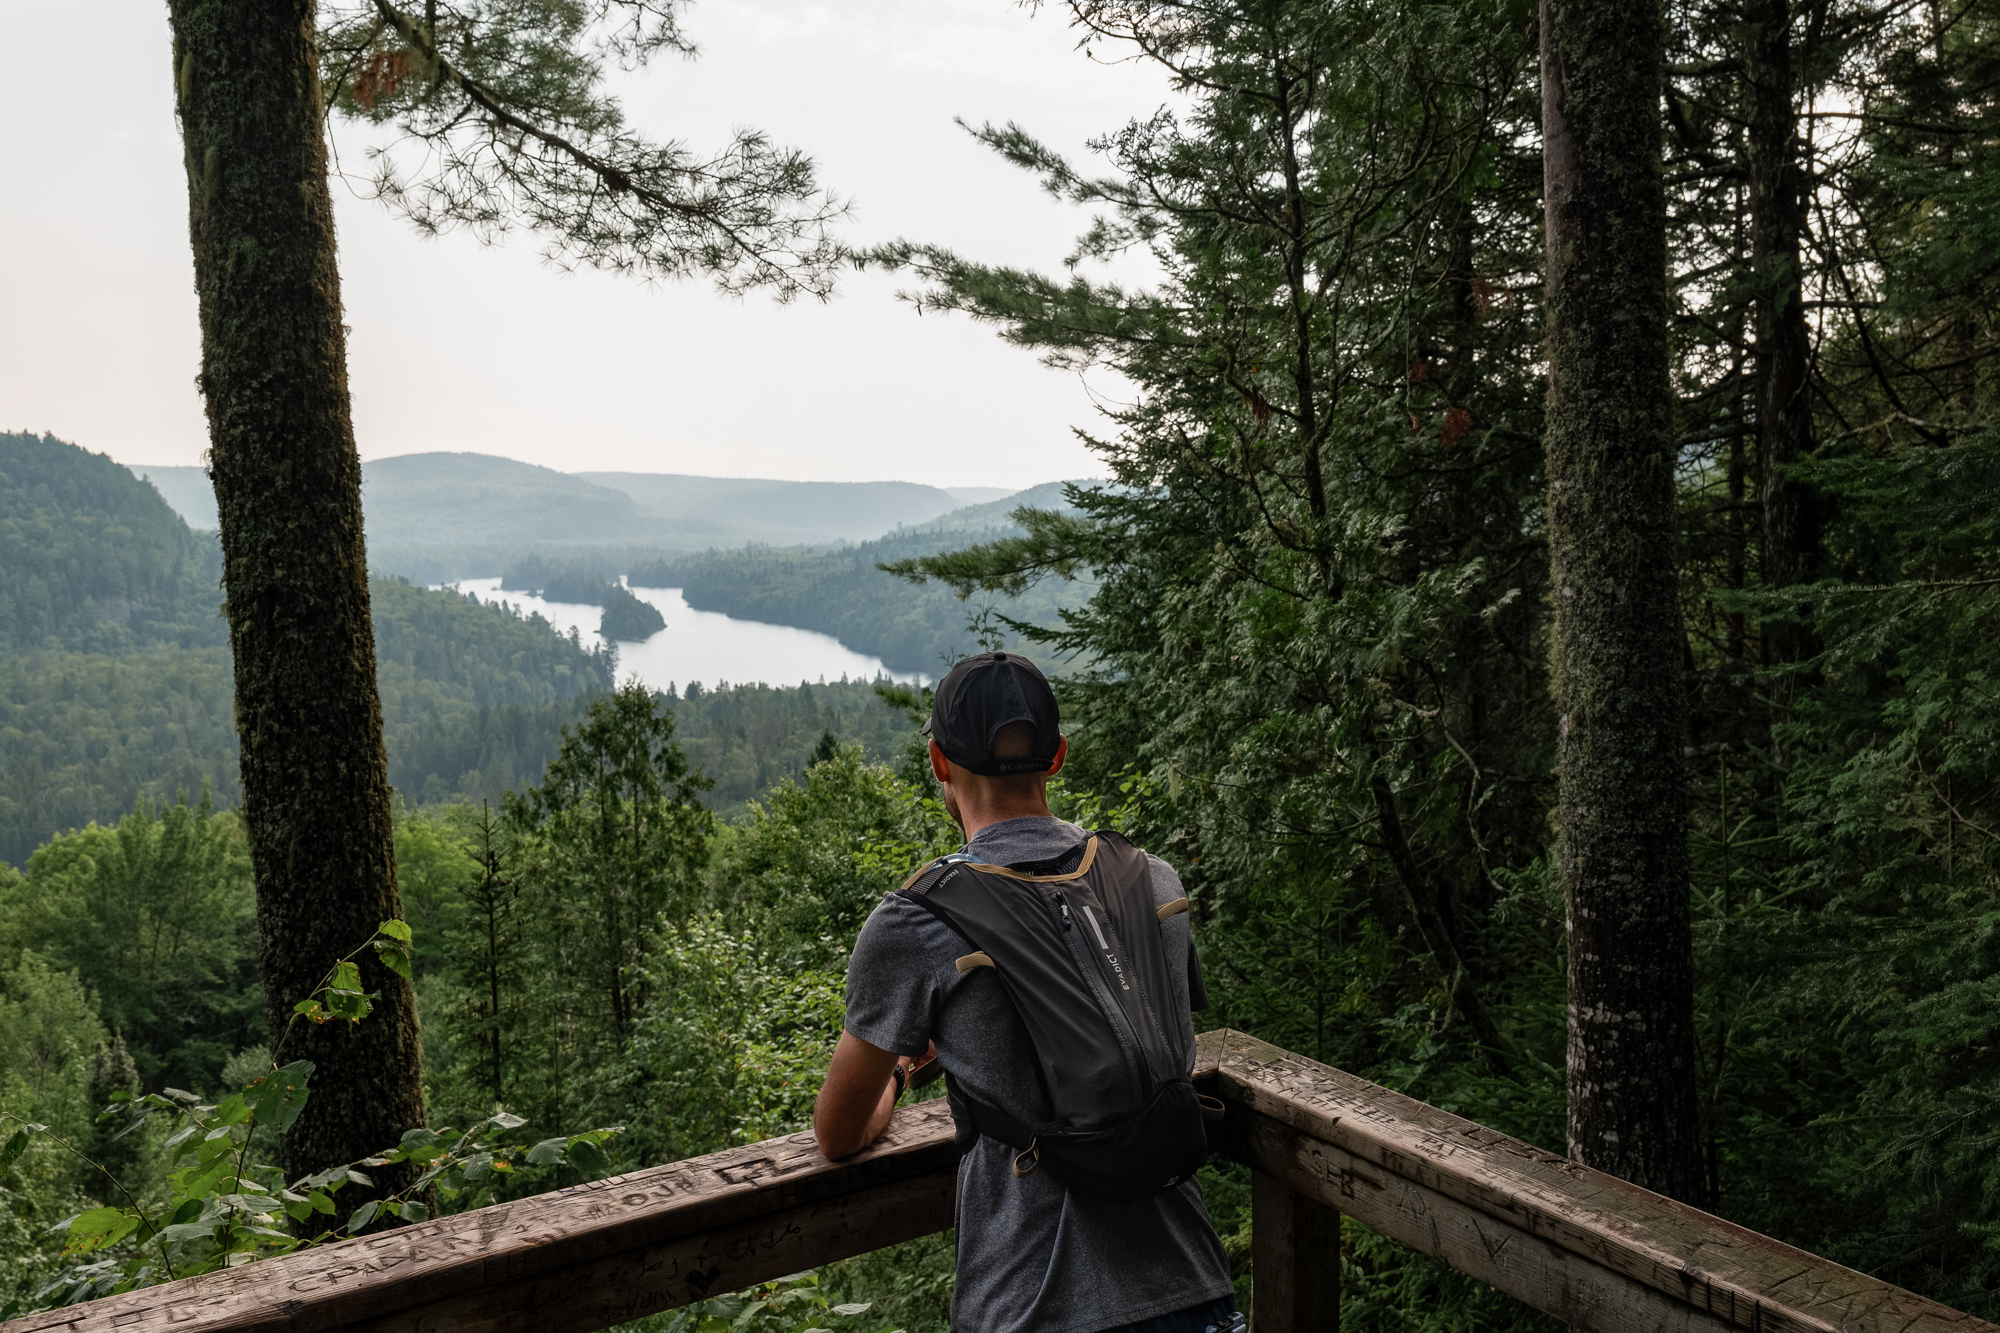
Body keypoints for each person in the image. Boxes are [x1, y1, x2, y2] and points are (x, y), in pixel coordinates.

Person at [814, 651, 1236, 1333]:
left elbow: (837, 1131)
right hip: (1192, 1289)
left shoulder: (917, 919)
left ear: (939, 763)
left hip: (1030, 1305)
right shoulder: (1152, 881)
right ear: (1057, 755)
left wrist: (901, 1067)